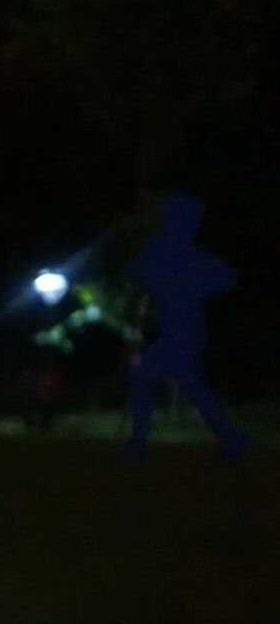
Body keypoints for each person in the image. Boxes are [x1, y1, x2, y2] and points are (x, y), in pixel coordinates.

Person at [122, 192, 246, 461]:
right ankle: (230, 438)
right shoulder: (167, 251)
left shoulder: (183, 255)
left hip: (184, 329)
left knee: (159, 379)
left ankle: (140, 441)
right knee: (184, 384)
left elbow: (226, 278)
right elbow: (138, 274)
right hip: (177, 329)